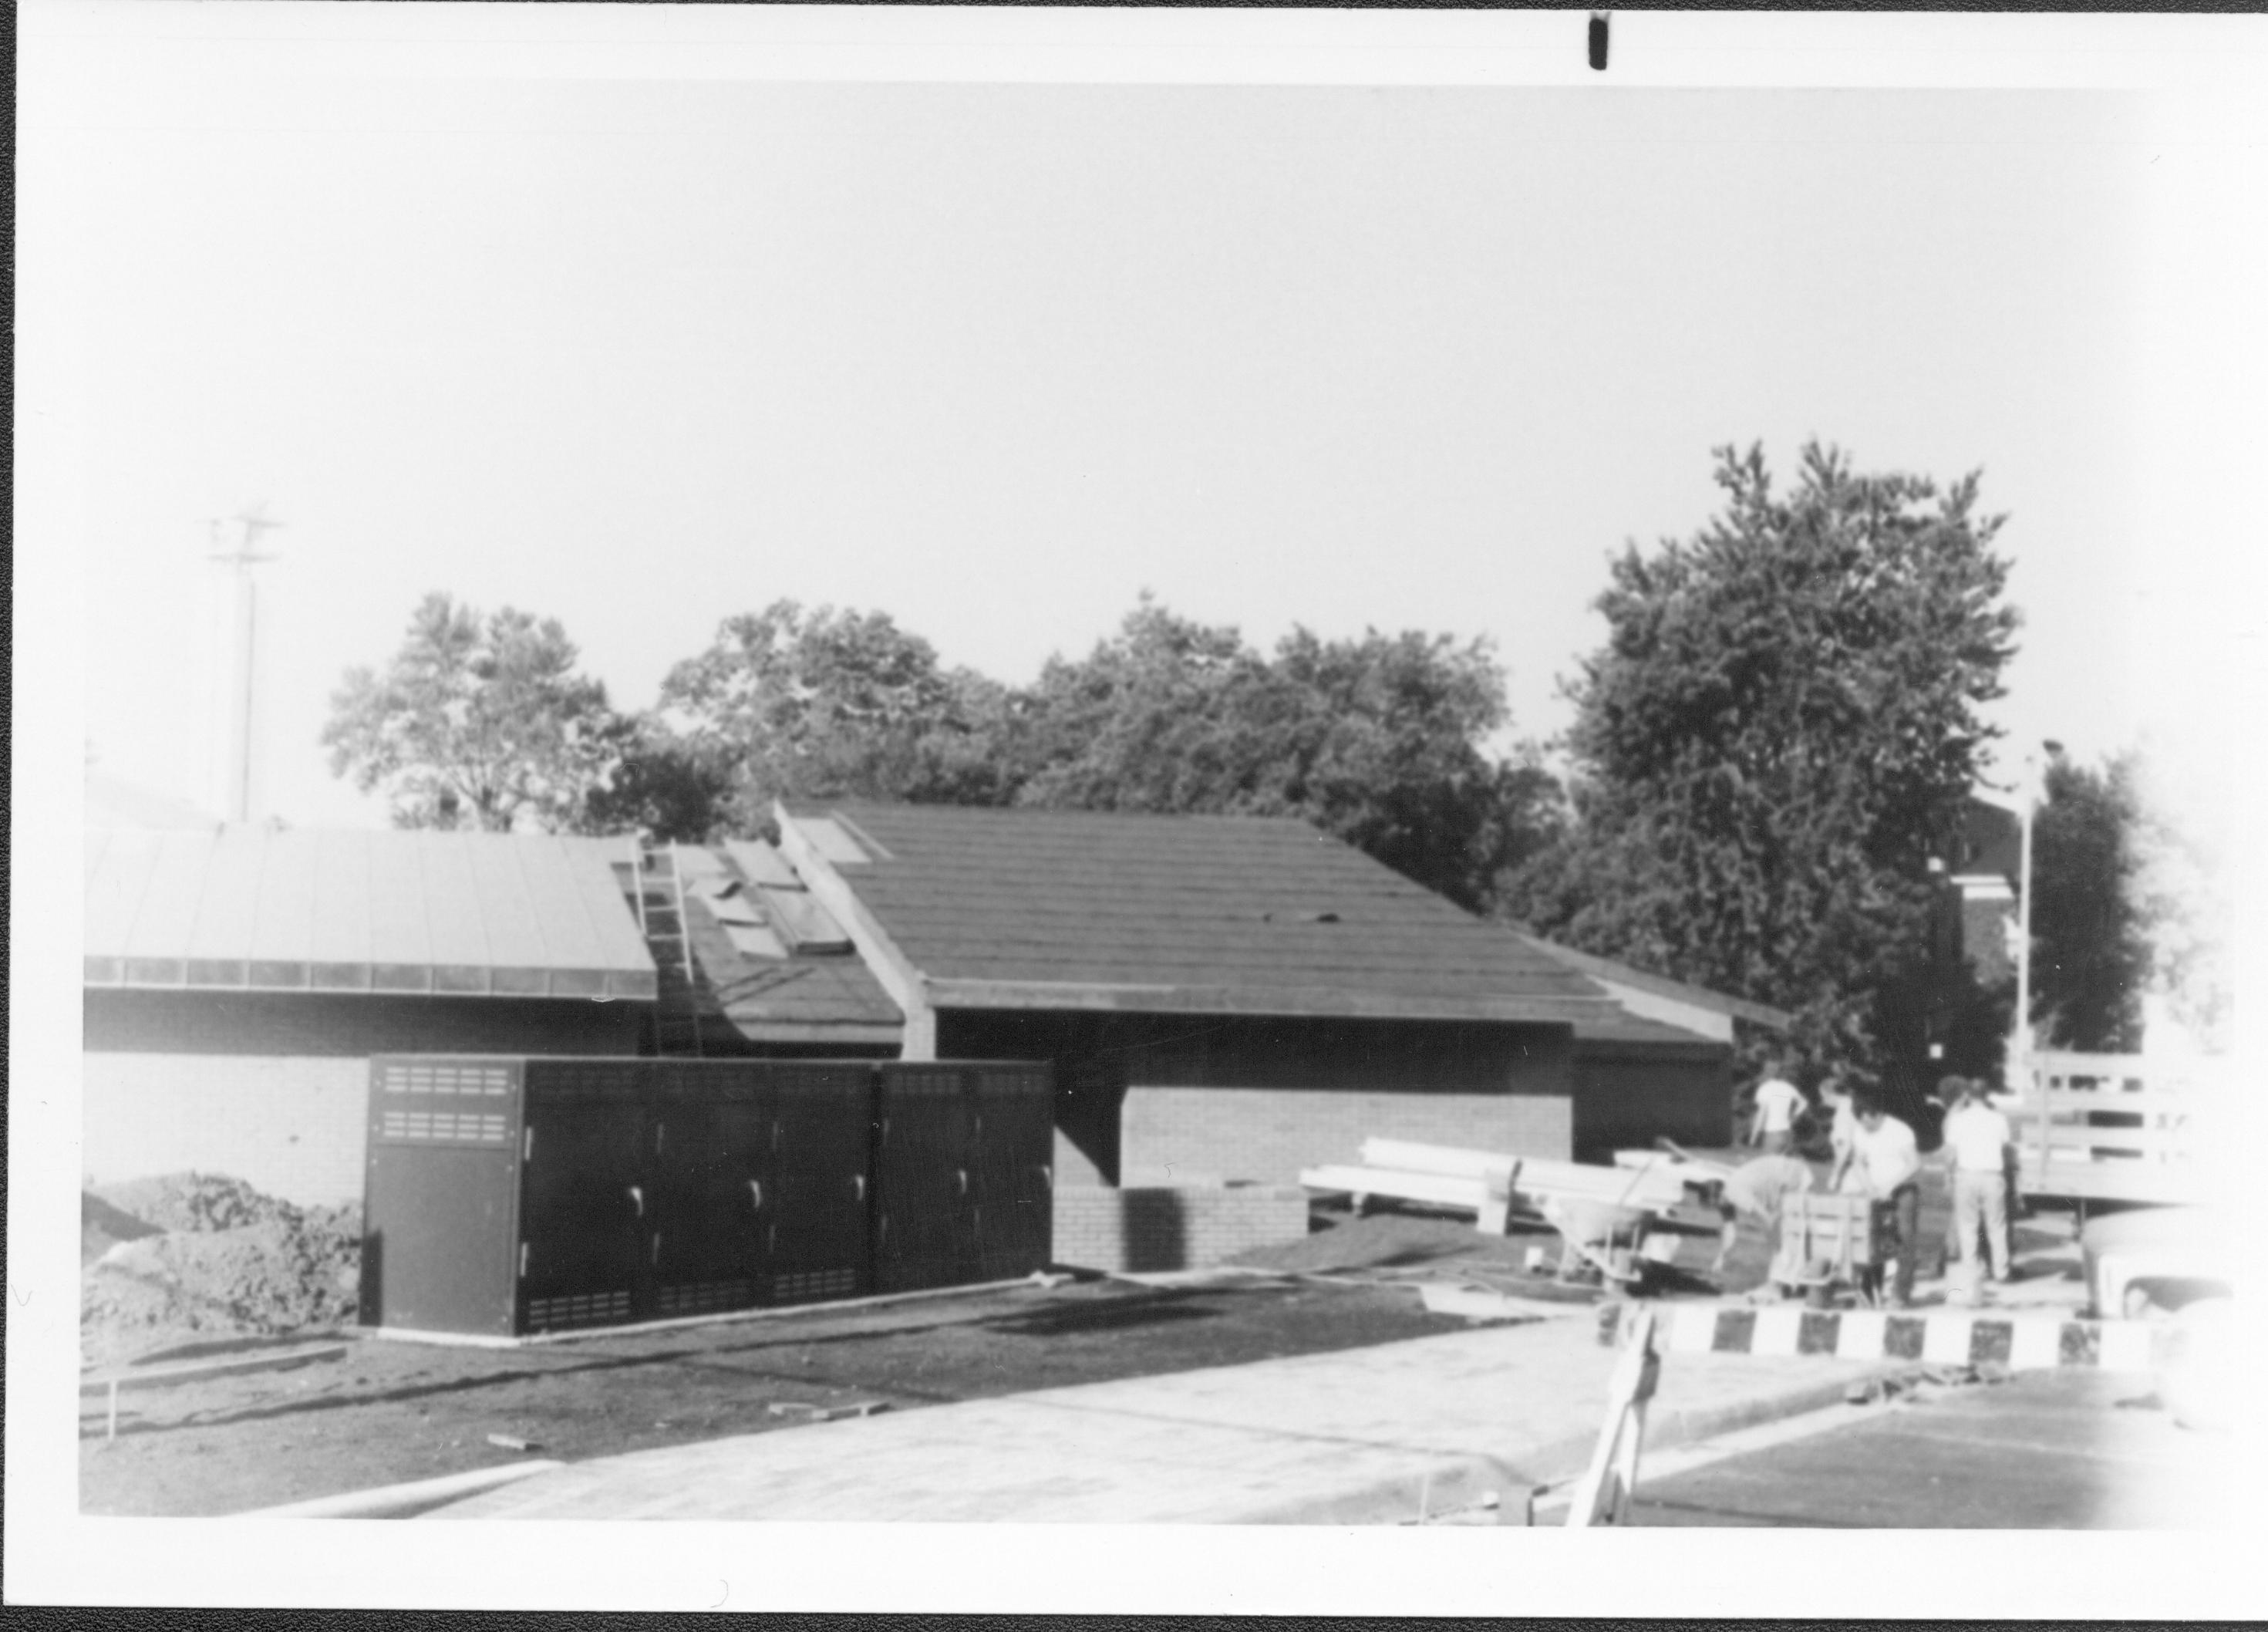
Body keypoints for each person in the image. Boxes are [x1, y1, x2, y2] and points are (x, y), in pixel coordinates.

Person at [1832, 1089, 1924, 1309]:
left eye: (1867, 1121)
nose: (1865, 1126)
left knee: (1904, 1239)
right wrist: (1870, 1188)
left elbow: (1914, 1163)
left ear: (1876, 1113)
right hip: (1876, 1192)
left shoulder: (1900, 1131)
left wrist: (1890, 1186)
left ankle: (1900, 1294)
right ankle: (1869, 1291)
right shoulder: (1860, 1132)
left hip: (1903, 1191)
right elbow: (1858, 1162)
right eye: (1860, 1121)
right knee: (1872, 1241)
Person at [1939, 1077, 2016, 1294]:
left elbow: (1950, 1153)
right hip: (1992, 1175)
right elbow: (2005, 1148)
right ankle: (2001, 1272)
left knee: (1968, 1227)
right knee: (1996, 1226)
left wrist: (1948, 1177)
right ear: (1986, 1095)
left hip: (1966, 1176)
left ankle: (1970, 1271)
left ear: (1968, 1096)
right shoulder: (1998, 1119)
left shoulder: (1958, 1120)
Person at [1709, 1152, 1815, 1280]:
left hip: (1795, 1177)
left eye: (1713, 1205)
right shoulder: (1728, 1193)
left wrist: (1778, 1249)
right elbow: (1730, 1229)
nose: (1715, 1209)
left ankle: (1794, 1270)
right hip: (1784, 1179)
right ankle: (1789, 1267)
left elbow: (1767, 1218)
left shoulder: (1736, 1194)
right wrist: (1721, 1258)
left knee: (1791, 1230)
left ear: (1716, 1198)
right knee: (1780, 1232)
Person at [1745, 1061, 1808, 1155]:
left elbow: (1761, 1115)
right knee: (1780, 1165)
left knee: (1769, 1166)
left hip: (1773, 1133)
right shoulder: (1787, 1087)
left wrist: (1753, 1138)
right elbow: (1804, 1103)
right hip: (1787, 1133)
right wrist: (1793, 1117)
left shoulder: (1765, 1088)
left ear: (1766, 1073)